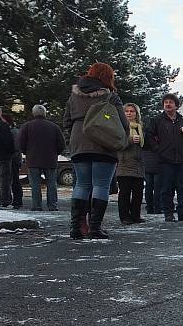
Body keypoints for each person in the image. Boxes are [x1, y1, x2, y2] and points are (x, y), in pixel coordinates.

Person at [63, 62, 128, 239]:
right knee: (101, 185)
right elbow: (123, 123)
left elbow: (66, 120)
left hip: (79, 142)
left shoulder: (73, 96)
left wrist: (72, 140)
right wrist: (122, 141)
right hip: (104, 143)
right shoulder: (111, 96)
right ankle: (95, 227)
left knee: (82, 185)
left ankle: (75, 227)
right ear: (108, 77)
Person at [145, 93, 183, 222]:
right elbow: (149, 136)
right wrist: (158, 150)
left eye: (170, 102)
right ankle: (168, 213)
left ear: (176, 105)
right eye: (165, 102)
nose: (167, 104)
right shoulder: (157, 120)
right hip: (165, 161)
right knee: (166, 188)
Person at [19, 104, 66, 211]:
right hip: (50, 159)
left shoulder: (27, 126)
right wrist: (55, 153)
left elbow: (21, 143)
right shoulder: (54, 127)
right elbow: (61, 144)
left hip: (33, 159)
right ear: (45, 114)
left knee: (35, 184)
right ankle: (52, 205)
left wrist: (26, 152)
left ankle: (37, 205)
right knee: (51, 184)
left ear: (33, 113)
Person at [116, 103, 146, 224]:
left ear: (136, 113)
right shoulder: (120, 126)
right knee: (125, 193)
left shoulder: (140, 127)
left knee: (138, 193)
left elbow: (145, 144)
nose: (129, 113)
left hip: (138, 164)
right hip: (124, 163)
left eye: (132, 111)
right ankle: (124, 216)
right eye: (127, 111)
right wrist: (129, 140)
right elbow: (117, 143)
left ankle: (135, 215)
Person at [3, 112, 23, 209]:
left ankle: (17, 200)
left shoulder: (13, 131)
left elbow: (16, 147)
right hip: (12, 158)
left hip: (13, 159)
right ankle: (9, 199)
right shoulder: (12, 131)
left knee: (14, 180)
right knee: (10, 180)